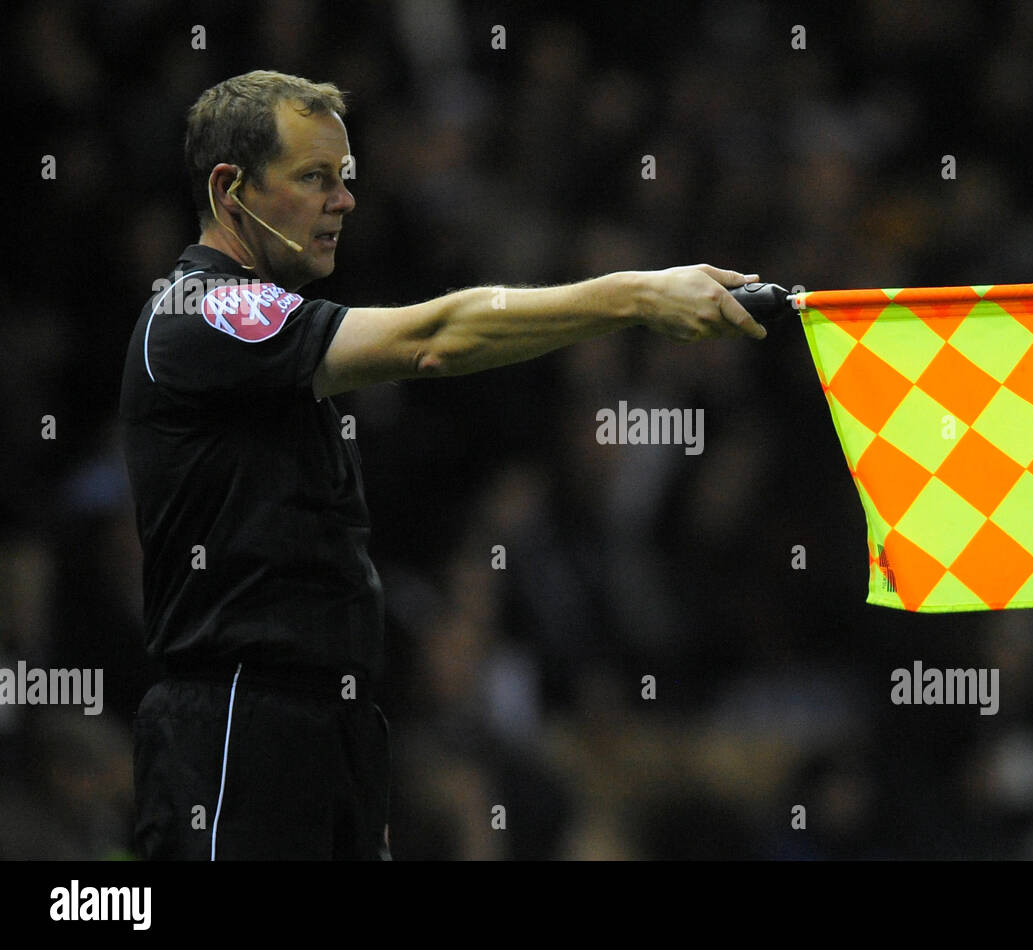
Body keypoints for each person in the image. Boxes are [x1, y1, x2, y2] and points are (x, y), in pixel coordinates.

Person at [119, 69, 766, 860]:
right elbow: (438, 339)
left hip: (328, 725)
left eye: (346, 178)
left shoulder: (268, 349)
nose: (344, 200)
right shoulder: (203, 309)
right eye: (315, 177)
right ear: (230, 189)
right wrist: (634, 296)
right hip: (235, 731)